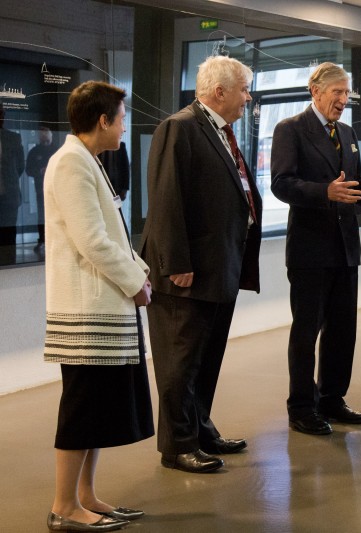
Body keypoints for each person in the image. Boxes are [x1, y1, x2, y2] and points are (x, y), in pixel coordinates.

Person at [140, 55, 262, 473]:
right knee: (179, 365)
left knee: (205, 361)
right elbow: (165, 200)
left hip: (221, 267)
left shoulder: (221, 130)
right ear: (220, 91)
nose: (248, 97)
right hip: (186, 274)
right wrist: (175, 262)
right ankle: (177, 446)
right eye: (244, 89)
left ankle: (201, 429)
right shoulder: (179, 128)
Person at [43, 81, 152, 532]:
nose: (124, 126)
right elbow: (93, 240)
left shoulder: (86, 160)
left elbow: (114, 235)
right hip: (88, 312)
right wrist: (135, 283)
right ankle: (62, 507)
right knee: (82, 408)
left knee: (99, 410)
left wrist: (140, 272)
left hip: (105, 307)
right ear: (103, 120)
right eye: (122, 118)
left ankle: (85, 496)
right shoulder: (70, 162)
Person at [271, 62, 361, 436]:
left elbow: (354, 179)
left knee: (343, 330)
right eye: (337, 92)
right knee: (307, 331)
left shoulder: (345, 131)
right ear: (315, 90)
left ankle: (332, 399)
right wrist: (323, 192)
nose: (344, 100)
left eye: (347, 93)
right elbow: (281, 183)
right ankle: (301, 407)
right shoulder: (290, 129)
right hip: (310, 251)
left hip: (345, 248)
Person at [26, 125, 58, 254]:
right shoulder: (34, 151)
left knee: (57, 215)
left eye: (46, 134)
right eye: (41, 135)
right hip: (40, 190)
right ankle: (42, 240)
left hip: (57, 189)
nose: (44, 137)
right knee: (41, 216)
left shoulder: (58, 150)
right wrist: (40, 171)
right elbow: (28, 170)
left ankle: (56, 240)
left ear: (51, 135)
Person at [0, 107, 25, 265]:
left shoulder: (13, 138)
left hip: (9, 196)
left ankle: (9, 264)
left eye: (2, 114)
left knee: (8, 235)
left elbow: (20, 167)